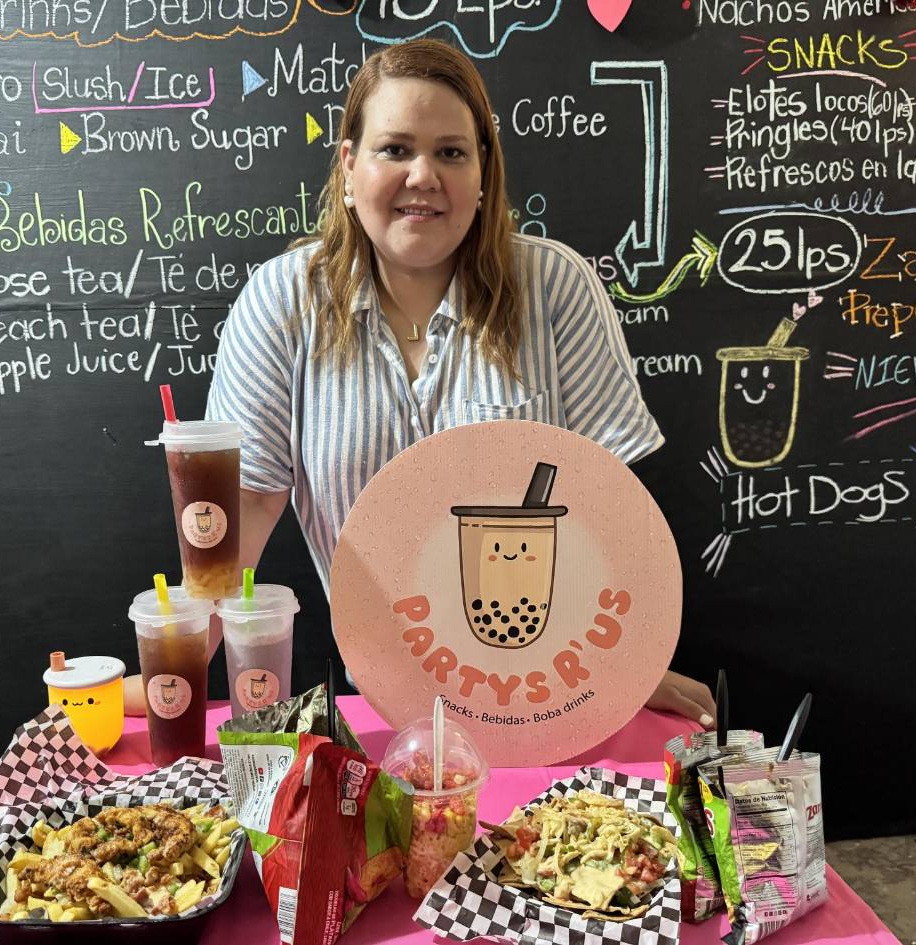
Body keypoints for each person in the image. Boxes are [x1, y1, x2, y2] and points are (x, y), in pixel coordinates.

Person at [133, 38, 715, 728]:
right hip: (386, 704)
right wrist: (174, 672)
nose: (423, 175)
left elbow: (608, 508)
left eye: (451, 152)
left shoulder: (554, 286)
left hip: (550, 693)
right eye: (395, 149)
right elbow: (247, 510)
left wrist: (625, 662)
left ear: (482, 173)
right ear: (348, 167)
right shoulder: (283, 301)